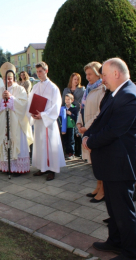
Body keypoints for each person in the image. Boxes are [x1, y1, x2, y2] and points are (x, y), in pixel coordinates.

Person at [82, 58, 136, 260]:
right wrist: (88, 135)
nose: (101, 78)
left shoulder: (130, 96)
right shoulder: (114, 94)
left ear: (116, 73)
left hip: (122, 163)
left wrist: (91, 141)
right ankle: (115, 240)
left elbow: (115, 130)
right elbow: (101, 120)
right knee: (113, 207)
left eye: (103, 74)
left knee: (123, 209)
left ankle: (131, 251)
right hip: (111, 162)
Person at [0, 62, 33, 176]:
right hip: (3, 123)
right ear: (3, 79)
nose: (8, 80)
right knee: (4, 141)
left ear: (13, 78)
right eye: (6, 78)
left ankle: (18, 168)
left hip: (17, 123)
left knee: (16, 140)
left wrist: (11, 99)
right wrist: (1, 100)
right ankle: (5, 166)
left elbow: (23, 104)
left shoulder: (20, 89)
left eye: (10, 78)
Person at [28, 62, 65, 181]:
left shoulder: (53, 87)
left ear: (46, 71)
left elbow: (56, 106)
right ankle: (42, 167)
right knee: (39, 144)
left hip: (48, 121)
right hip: (38, 121)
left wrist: (43, 115)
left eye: (40, 71)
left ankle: (52, 169)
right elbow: (30, 102)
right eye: (37, 71)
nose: (38, 74)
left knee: (50, 145)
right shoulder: (35, 86)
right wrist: (32, 113)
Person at [76, 62, 106, 203]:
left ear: (97, 74)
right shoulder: (88, 89)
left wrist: (87, 127)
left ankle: (103, 190)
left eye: (90, 74)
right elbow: (82, 108)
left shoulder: (102, 90)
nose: (87, 77)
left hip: (96, 129)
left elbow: (100, 112)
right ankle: (98, 185)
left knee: (100, 161)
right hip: (87, 128)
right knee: (95, 161)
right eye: (86, 74)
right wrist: (79, 123)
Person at [62, 73, 85, 157]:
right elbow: (62, 100)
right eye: (75, 79)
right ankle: (69, 151)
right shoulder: (66, 90)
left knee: (77, 132)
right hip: (67, 113)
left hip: (77, 112)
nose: (76, 81)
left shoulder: (82, 89)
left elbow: (83, 101)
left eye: (78, 79)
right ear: (71, 80)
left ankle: (78, 152)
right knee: (68, 133)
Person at [59, 93, 78, 160]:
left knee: (71, 140)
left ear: (72, 100)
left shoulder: (74, 108)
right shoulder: (62, 108)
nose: (67, 101)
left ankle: (72, 153)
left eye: (68, 99)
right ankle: (66, 153)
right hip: (64, 127)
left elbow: (76, 117)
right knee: (65, 140)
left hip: (71, 127)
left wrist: (71, 114)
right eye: (66, 99)